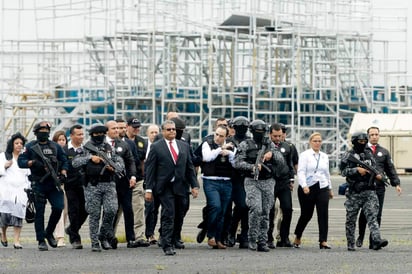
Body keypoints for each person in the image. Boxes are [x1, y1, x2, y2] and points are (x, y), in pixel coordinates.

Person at [144, 120, 199, 256]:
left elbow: (189, 167)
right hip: (164, 186)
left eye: (173, 129)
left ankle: (175, 238)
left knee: (180, 212)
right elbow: (150, 170)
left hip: (180, 185)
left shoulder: (184, 146)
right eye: (168, 129)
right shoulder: (156, 147)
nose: (172, 132)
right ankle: (166, 243)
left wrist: (194, 185)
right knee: (168, 213)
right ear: (163, 131)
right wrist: (149, 189)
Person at [234, 119, 287, 252]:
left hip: (268, 181)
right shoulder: (245, 144)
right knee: (256, 209)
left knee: (266, 211)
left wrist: (272, 154)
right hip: (252, 181)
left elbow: (281, 162)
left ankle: (262, 240)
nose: (260, 134)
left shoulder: (269, 144)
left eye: (262, 132)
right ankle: (252, 239)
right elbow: (237, 163)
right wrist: (252, 167)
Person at [72, 123, 124, 252]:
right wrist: (90, 158)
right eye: (97, 134)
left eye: (102, 134)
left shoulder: (109, 148)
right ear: (92, 135)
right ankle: (95, 242)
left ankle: (103, 236)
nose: (100, 136)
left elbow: (119, 161)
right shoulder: (86, 148)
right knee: (94, 214)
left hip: (109, 184)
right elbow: (75, 162)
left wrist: (115, 167)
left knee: (112, 210)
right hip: (92, 185)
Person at [18, 121, 68, 251]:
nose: (44, 133)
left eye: (46, 131)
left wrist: (63, 172)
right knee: (39, 212)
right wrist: (32, 162)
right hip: (38, 182)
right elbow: (20, 161)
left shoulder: (56, 146)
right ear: (36, 133)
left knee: (58, 207)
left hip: (53, 182)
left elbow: (64, 161)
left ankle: (49, 232)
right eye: (41, 131)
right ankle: (41, 240)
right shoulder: (30, 146)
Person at [340, 132, 388, 251]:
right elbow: (342, 171)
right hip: (354, 192)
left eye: (364, 141)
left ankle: (377, 239)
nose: (362, 143)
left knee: (372, 216)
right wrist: (356, 170)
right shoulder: (348, 154)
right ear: (354, 141)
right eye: (360, 141)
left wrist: (378, 175)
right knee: (351, 219)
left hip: (369, 190)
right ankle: (351, 243)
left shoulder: (368, 153)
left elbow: (375, 168)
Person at [356, 126, 402, 248]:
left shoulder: (384, 152)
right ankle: (360, 236)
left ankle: (374, 242)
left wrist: (396, 183)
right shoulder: (361, 150)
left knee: (377, 214)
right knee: (364, 214)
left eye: (376, 134)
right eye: (372, 135)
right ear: (368, 136)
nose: (374, 136)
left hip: (379, 187)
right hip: (365, 187)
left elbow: (390, 169)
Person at [106, 120, 147, 248]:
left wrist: (133, 176)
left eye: (119, 128)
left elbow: (132, 162)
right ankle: (108, 237)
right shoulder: (101, 144)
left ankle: (131, 238)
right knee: (111, 211)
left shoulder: (126, 144)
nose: (118, 130)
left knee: (129, 210)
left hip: (125, 182)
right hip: (108, 183)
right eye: (115, 128)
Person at [293, 132, 333, 249]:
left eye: (319, 141)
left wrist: (329, 188)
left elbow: (327, 173)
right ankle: (298, 236)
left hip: (322, 187)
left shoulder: (324, 156)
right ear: (310, 142)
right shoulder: (305, 155)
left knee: (323, 213)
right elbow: (300, 172)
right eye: (315, 141)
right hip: (308, 187)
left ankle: (323, 240)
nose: (317, 143)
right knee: (307, 214)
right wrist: (304, 185)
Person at [201, 125, 235, 249]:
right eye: (216, 134)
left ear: (226, 136)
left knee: (223, 211)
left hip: (226, 182)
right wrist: (220, 149)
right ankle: (211, 235)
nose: (217, 137)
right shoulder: (207, 144)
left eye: (221, 136)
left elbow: (236, 163)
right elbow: (207, 157)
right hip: (211, 181)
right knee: (215, 206)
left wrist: (229, 153)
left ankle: (218, 238)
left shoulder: (232, 146)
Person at [0, 132, 31, 249]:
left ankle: (17, 240)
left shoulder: (25, 158)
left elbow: (29, 174)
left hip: (21, 191)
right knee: (4, 217)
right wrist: (4, 166)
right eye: (16, 143)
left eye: (21, 143)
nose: (19, 145)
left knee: (18, 216)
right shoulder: (4, 156)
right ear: (12, 144)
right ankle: (3, 235)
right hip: (6, 191)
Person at [267, 123, 295, 248]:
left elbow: (290, 164)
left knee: (287, 209)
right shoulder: (265, 146)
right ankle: (268, 238)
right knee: (270, 210)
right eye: (275, 136)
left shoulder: (287, 146)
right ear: (270, 135)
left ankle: (284, 237)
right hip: (270, 182)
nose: (277, 138)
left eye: (279, 136)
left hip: (284, 182)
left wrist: (291, 179)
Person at [226, 116, 250, 248]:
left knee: (245, 206)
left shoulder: (250, 142)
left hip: (245, 178)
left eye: (244, 128)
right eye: (239, 127)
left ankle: (244, 234)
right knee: (230, 207)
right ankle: (230, 232)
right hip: (230, 178)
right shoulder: (229, 141)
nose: (241, 130)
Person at [63, 124, 88, 249]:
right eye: (78, 134)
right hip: (70, 185)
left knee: (86, 210)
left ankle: (72, 229)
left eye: (82, 134)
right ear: (71, 135)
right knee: (74, 210)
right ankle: (75, 239)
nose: (81, 137)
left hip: (84, 185)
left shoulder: (86, 150)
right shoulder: (65, 150)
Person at [125, 117, 147, 245]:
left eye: (138, 127)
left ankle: (139, 236)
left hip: (137, 179)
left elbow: (143, 161)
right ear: (127, 127)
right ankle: (109, 235)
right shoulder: (121, 141)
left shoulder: (141, 142)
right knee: (117, 210)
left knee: (139, 208)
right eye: (134, 127)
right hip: (123, 179)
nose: (137, 129)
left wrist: (144, 178)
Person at [143, 124, 160, 245]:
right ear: (147, 134)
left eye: (156, 132)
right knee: (149, 209)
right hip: (146, 182)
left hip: (159, 182)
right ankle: (149, 233)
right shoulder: (142, 146)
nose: (154, 135)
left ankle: (157, 233)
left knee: (158, 209)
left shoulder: (161, 146)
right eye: (152, 132)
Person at [52, 130, 69, 247]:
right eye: (59, 140)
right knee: (60, 209)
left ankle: (57, 233)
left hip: (69, 184)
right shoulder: (54, 153)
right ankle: (60, 237)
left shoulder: (68, 151)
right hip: (57, 183)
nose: (62, 142)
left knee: (66, 212)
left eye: (63, 140)